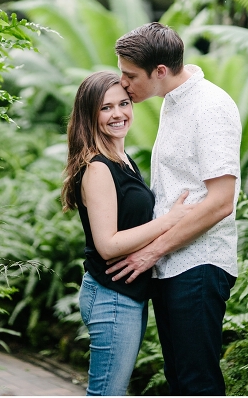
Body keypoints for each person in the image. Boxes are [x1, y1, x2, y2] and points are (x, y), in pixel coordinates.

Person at [104, 22, 241, 396]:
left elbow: (220, 203)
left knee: (197, 382)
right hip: (170, 263)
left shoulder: (210, 107)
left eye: (130, 76)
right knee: (179, 379)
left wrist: (151, 251)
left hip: (198, 264)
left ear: (160, 71)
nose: (124, 84)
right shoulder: (172, 102)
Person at [60, 71, 191, 396]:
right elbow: (108, 245)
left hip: (123, 296)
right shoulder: (98, 168)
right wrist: (170, 220)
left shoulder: (122, 159)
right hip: (111, 296)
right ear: (89, 115)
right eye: (106, 108)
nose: (118, 113)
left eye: (124, 103)